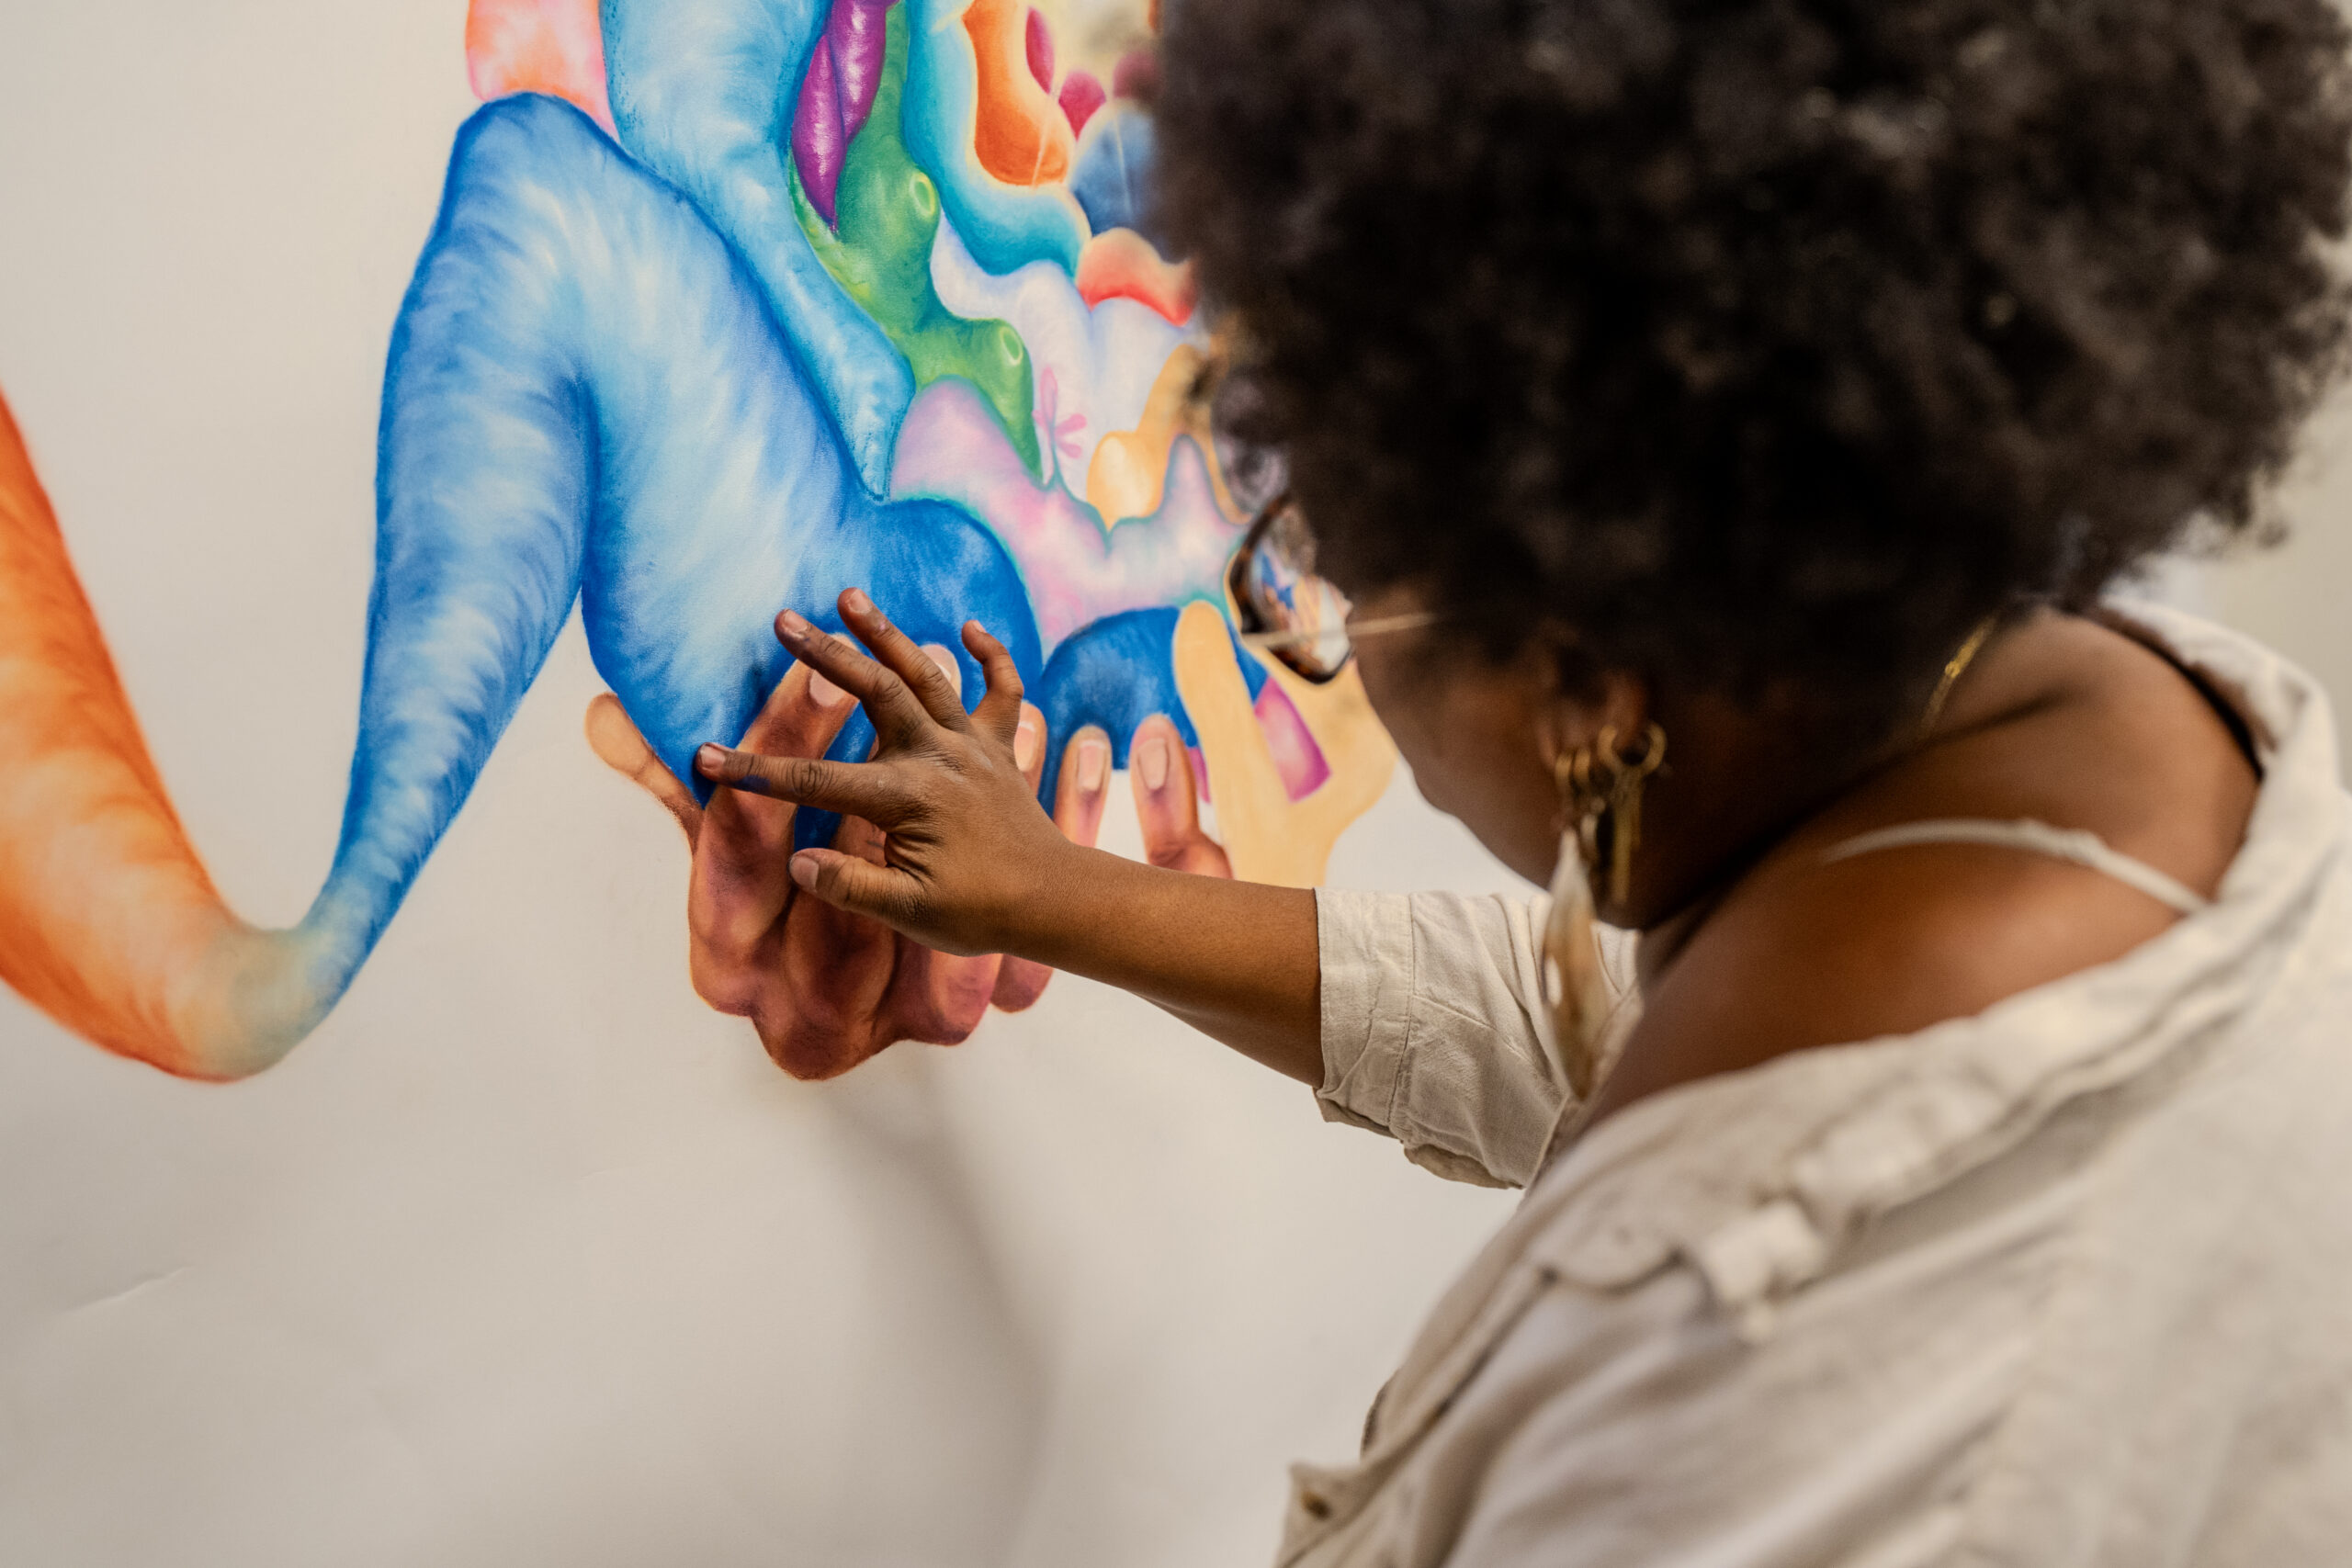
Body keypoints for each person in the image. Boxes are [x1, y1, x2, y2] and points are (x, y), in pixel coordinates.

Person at [691, 0, 2352, 1561]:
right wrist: (1062, 891)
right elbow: (1591, 1022)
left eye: (1329, 576)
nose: (1317, 632)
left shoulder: (1760, 1404)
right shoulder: (2065, 750)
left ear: (1582, 675)